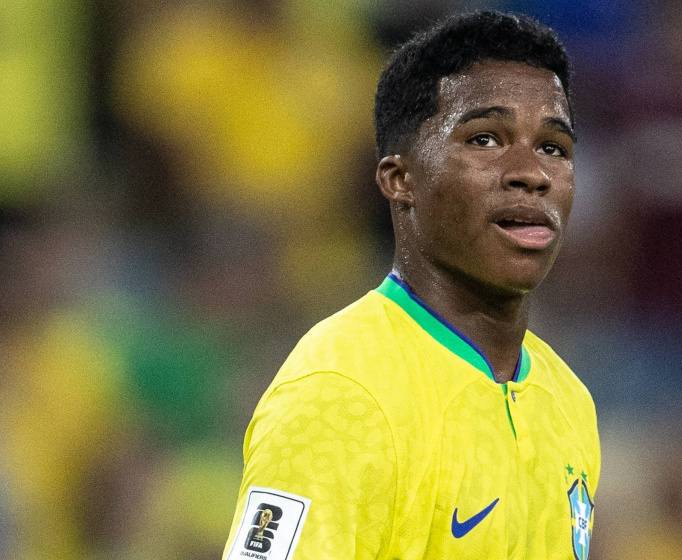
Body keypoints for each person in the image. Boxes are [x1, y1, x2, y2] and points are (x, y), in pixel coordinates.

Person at [221, 11, 600, 560]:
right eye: (486, 139)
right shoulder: (342, 393)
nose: (532, 173)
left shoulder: (569, 402)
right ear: (401, 180)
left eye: (553, 147)